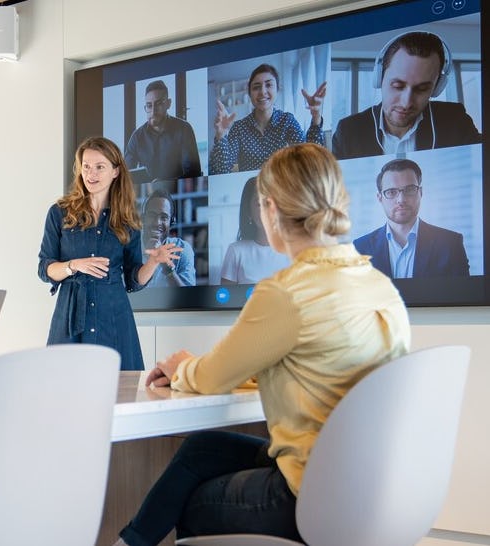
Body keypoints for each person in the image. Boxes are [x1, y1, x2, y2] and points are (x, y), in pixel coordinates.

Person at [114, 143, 411, 545]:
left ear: (270, 209)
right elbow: (310, 362)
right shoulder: (379, 285)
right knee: (202, 449)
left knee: (192, 502)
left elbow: (212, 377)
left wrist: (182, 366)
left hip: (311, 493)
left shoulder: (286, 292)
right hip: (368, 486)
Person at [38, 136, 182, 370]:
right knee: (63, 392)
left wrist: (154, 262)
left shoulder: (127, 220)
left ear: (115, 172)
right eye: (86, 167)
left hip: (114, 319)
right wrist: (73, 265)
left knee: (120, 395)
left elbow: (133, 280)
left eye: (99, 167)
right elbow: (45, 269)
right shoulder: (59, 213)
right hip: (71, 319)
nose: (90, 174)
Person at [332, 31, 481, 160]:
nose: (406, 103)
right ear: (379, 78)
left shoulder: (455, 120)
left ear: (437, 88)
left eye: (422, 89)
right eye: (397, 86)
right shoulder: (348, 131)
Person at [353, 158, 469, 278]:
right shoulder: (360, 247)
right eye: (391, 192)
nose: (401, 200)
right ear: (380, 198)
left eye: (410, 189)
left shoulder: (450, 243)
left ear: (421, 193)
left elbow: (465, 295)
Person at [208, 63, 326, 175]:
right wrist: (221, 135)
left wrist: (316, 117)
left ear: (277, 90)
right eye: (256, 87)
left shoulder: (287, 120)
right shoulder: (239, 128)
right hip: (251, 189)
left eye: (269, 85)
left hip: (281, 187)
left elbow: (309, 160)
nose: (263, 92)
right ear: (250, 93)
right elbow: (221, 171)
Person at [125, 80, 203, 180]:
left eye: (158, 104)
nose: (153, 111)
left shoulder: (184, 129)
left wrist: (164, 182)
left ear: (168, 104)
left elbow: (193, 173)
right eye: (149, 105)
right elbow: (125, 175)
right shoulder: (137, 137)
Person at [220, 176, 290, 284]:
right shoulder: (235, 251)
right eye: (259, 204)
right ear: (248, 211)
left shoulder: (294, 251)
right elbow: (226, 297)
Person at [141, 189, 196, 287]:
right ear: (143, 219)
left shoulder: (182, 249)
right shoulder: (128, 247)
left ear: (171, 222)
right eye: (152, 215)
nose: (157, 223)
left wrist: (168, 269)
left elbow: (189, 299)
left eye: (164, 217)